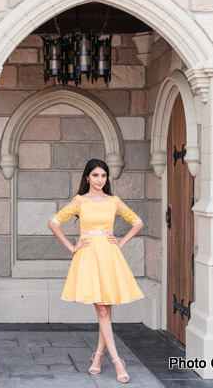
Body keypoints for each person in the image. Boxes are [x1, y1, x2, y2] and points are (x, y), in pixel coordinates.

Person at [47, 159, 144, 384]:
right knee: (102, 311)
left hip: (109, 255)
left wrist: (120, 243)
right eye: (96, 175)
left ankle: (98, 357)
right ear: (87, 178)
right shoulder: (80, 201)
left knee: (105, 312)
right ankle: (118, 361)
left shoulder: (114, 201)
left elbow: (137, 222)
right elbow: (53, 222)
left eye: (103, 176)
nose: (100, 180)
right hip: (89, 257)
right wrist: (72, 247)